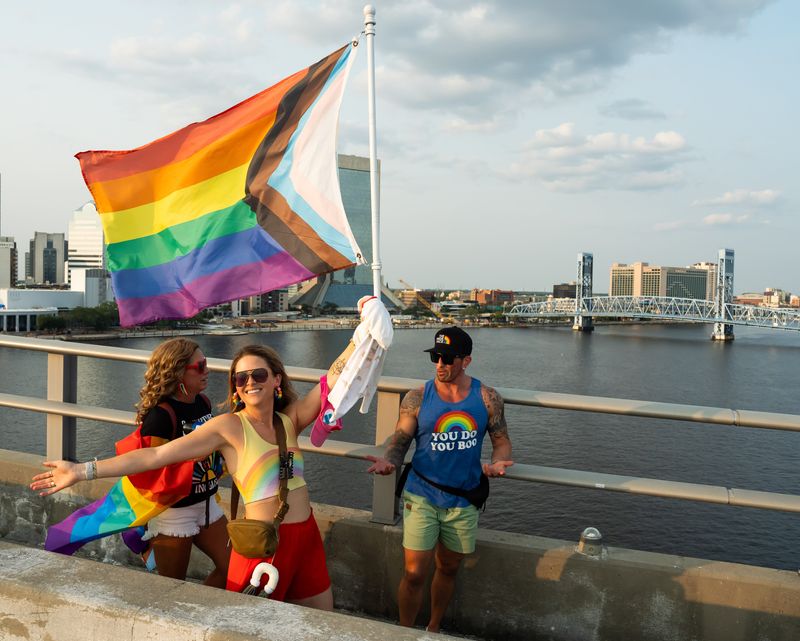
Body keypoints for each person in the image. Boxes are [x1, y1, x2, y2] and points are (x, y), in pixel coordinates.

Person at [33, 341, 353, 610]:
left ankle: (206, 608)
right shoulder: (221, 425)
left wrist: (362, 335)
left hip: (287, 530)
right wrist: (82, 470)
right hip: (216, 524)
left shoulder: (287, 420)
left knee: (317, 619)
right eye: (240, 379)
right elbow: (154, 457)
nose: (249, 382)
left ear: (276, 380)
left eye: (258, 375)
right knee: (195, 601)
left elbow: (333, 381)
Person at [366, 327, 513, 632]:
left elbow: (501, 440)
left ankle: (433, 629)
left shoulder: (487, 398)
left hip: (465, 500)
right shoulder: (417, 398)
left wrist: (498, 463)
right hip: (422, 496)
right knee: (415, 572)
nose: (440, 364)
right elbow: (401, 441)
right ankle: (405, 630)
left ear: (466, 361)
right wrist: (389, 462)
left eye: (447, 358)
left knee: (448, 568)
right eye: (436, 357)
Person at [134, 337, 229, 588]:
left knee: (235, 568)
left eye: (206, 363)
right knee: (172, 587)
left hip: (207, 503)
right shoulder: (161, 416)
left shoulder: (203, 402)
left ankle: (201, 612)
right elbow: (148, 469)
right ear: (177, 372)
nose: (207, 370)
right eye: (200, 366)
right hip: (174, 512)